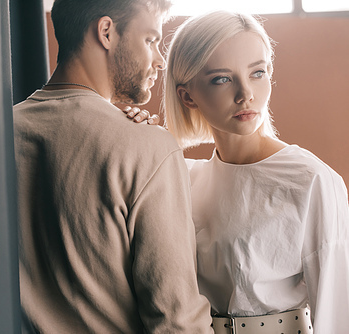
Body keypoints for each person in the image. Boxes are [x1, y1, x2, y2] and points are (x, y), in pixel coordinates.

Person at [129, 10, 349, 334]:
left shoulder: (311, 180)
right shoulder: (182, 179)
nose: (246, 94)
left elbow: (337, 315)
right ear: (187, 95)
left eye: (257, 73)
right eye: (222, 78)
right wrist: (131, 137)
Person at [12, 0, 213, 333]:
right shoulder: (148, 146)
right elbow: (177, 320)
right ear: (106, 32)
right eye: (150, 40)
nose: (160, 61)